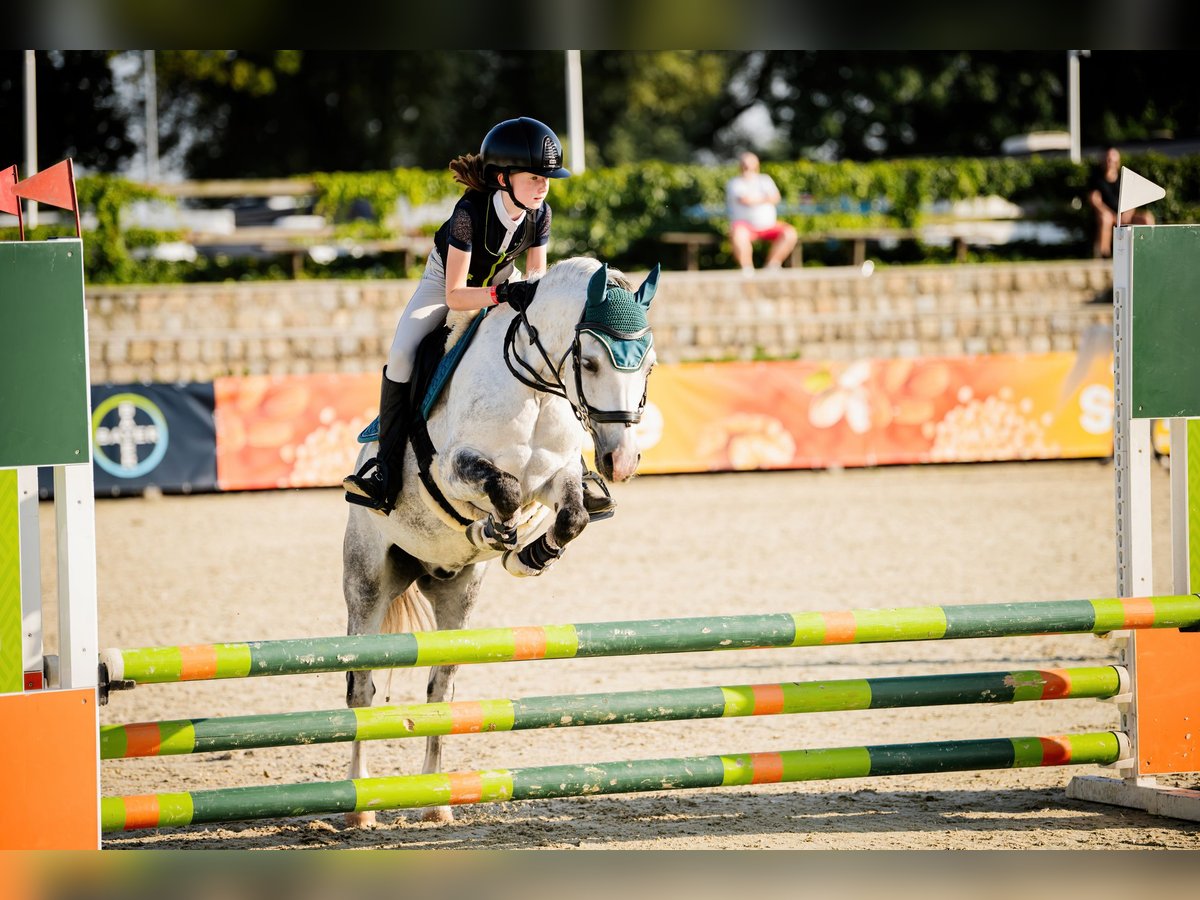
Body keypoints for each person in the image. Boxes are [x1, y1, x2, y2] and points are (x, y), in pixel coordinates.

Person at [343, 116, 615, 519]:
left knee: (550, 347)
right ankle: (382, 468)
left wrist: (530, 297)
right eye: (535, 177)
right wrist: (503, 294)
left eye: (547, 178)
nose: (543, 185)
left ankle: (576, 466)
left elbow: (536, 275)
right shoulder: (469, 214)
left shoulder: (541, 214)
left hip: (503, 280)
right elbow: (455, 296)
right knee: (401, 355)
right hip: (447, 286)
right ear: (503, 178)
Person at [726, 152, 798, 274]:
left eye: (750, 165)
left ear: (757, 165)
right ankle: (747, 268)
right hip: (745, 226)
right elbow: (745, 200)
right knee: (738, 234)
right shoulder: (735, 183)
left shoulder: (765, 179)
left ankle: (772, 265)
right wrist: (765, 198)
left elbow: (776, 198)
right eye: (745, 165)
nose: (747, 168)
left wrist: (756, 199)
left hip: (769, 225)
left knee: (790, 233)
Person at [1088, 146, 1155, 258]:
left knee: (1146, 218)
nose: (1110, 162)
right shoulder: (1096, 179)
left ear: (1118, 161)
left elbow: (1133, 198)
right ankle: (1104, 255)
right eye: (1108, 159)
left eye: (1113, 160)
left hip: (1126, 215)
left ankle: (1149, 251)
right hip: (1109, 215)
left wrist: (1127, 214)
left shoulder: (1125, 177)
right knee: (1106, 218)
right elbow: (1095, 200)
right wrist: (1114, 216)